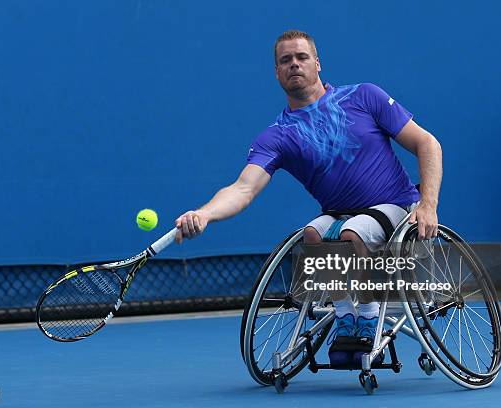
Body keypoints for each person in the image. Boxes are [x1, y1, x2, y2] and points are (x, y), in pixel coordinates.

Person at [174, 30, 442, 366]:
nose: (294, 64)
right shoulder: (277, 136)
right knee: (313, 233)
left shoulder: (364, 97)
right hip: (339, 213)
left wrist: (428, 204)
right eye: (285, 60)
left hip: (396, 207)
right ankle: (346, 316)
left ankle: (369, 316)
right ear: (277, 73)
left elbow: (427, 144)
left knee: (352, 233)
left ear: (317, 63)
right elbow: (243, 188)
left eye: (301, 57)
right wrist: (205, 214)